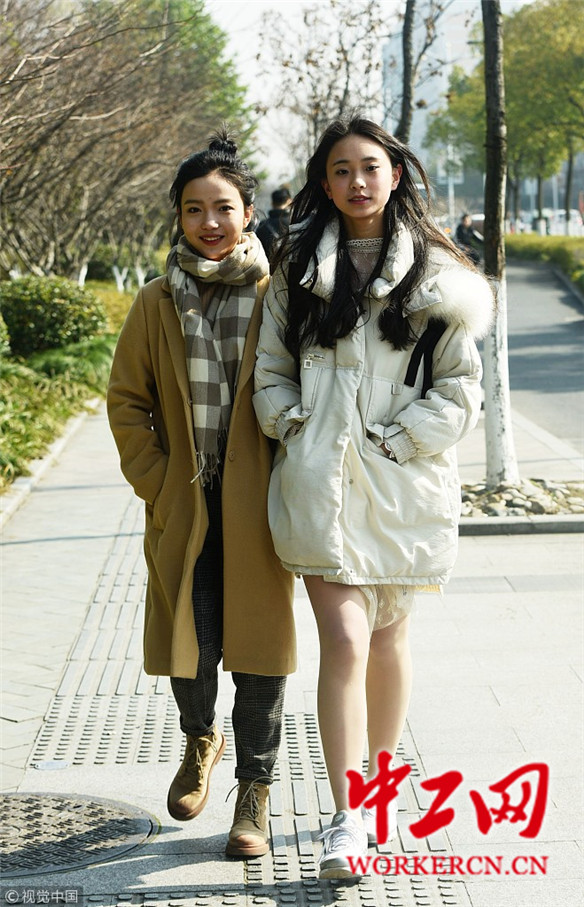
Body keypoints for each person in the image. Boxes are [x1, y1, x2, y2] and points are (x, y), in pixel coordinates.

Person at [253, 115, 494, 879]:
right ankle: (348, 815)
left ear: (395, 174)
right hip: (317, 480)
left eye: (369, 166)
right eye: (341, 169)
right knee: (347, 640)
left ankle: (379, 795)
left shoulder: (438, 277)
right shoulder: (297, 270)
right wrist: (294, 426)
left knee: (389, 641)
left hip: (400, 485)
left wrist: (400, 440)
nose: (357, 181)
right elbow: (269, 369)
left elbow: (462, 388)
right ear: (324, 184)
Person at [107, 128, 296, 859]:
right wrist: (157, 482)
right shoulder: (156, 301)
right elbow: (128, 400)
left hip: (261, 507)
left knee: (261, 654)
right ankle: (199, 738)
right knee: (190, 645)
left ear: (248, 212)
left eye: (223, 207)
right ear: (179, 216)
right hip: (185, 506)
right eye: (194, 209)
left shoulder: (279, 296)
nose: (209, 222)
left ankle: (254, 793)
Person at [255, 187, 292, 260]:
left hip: (270, 265)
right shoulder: (295, 222)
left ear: (272, 203)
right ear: (289, 201)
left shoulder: (262, 225)